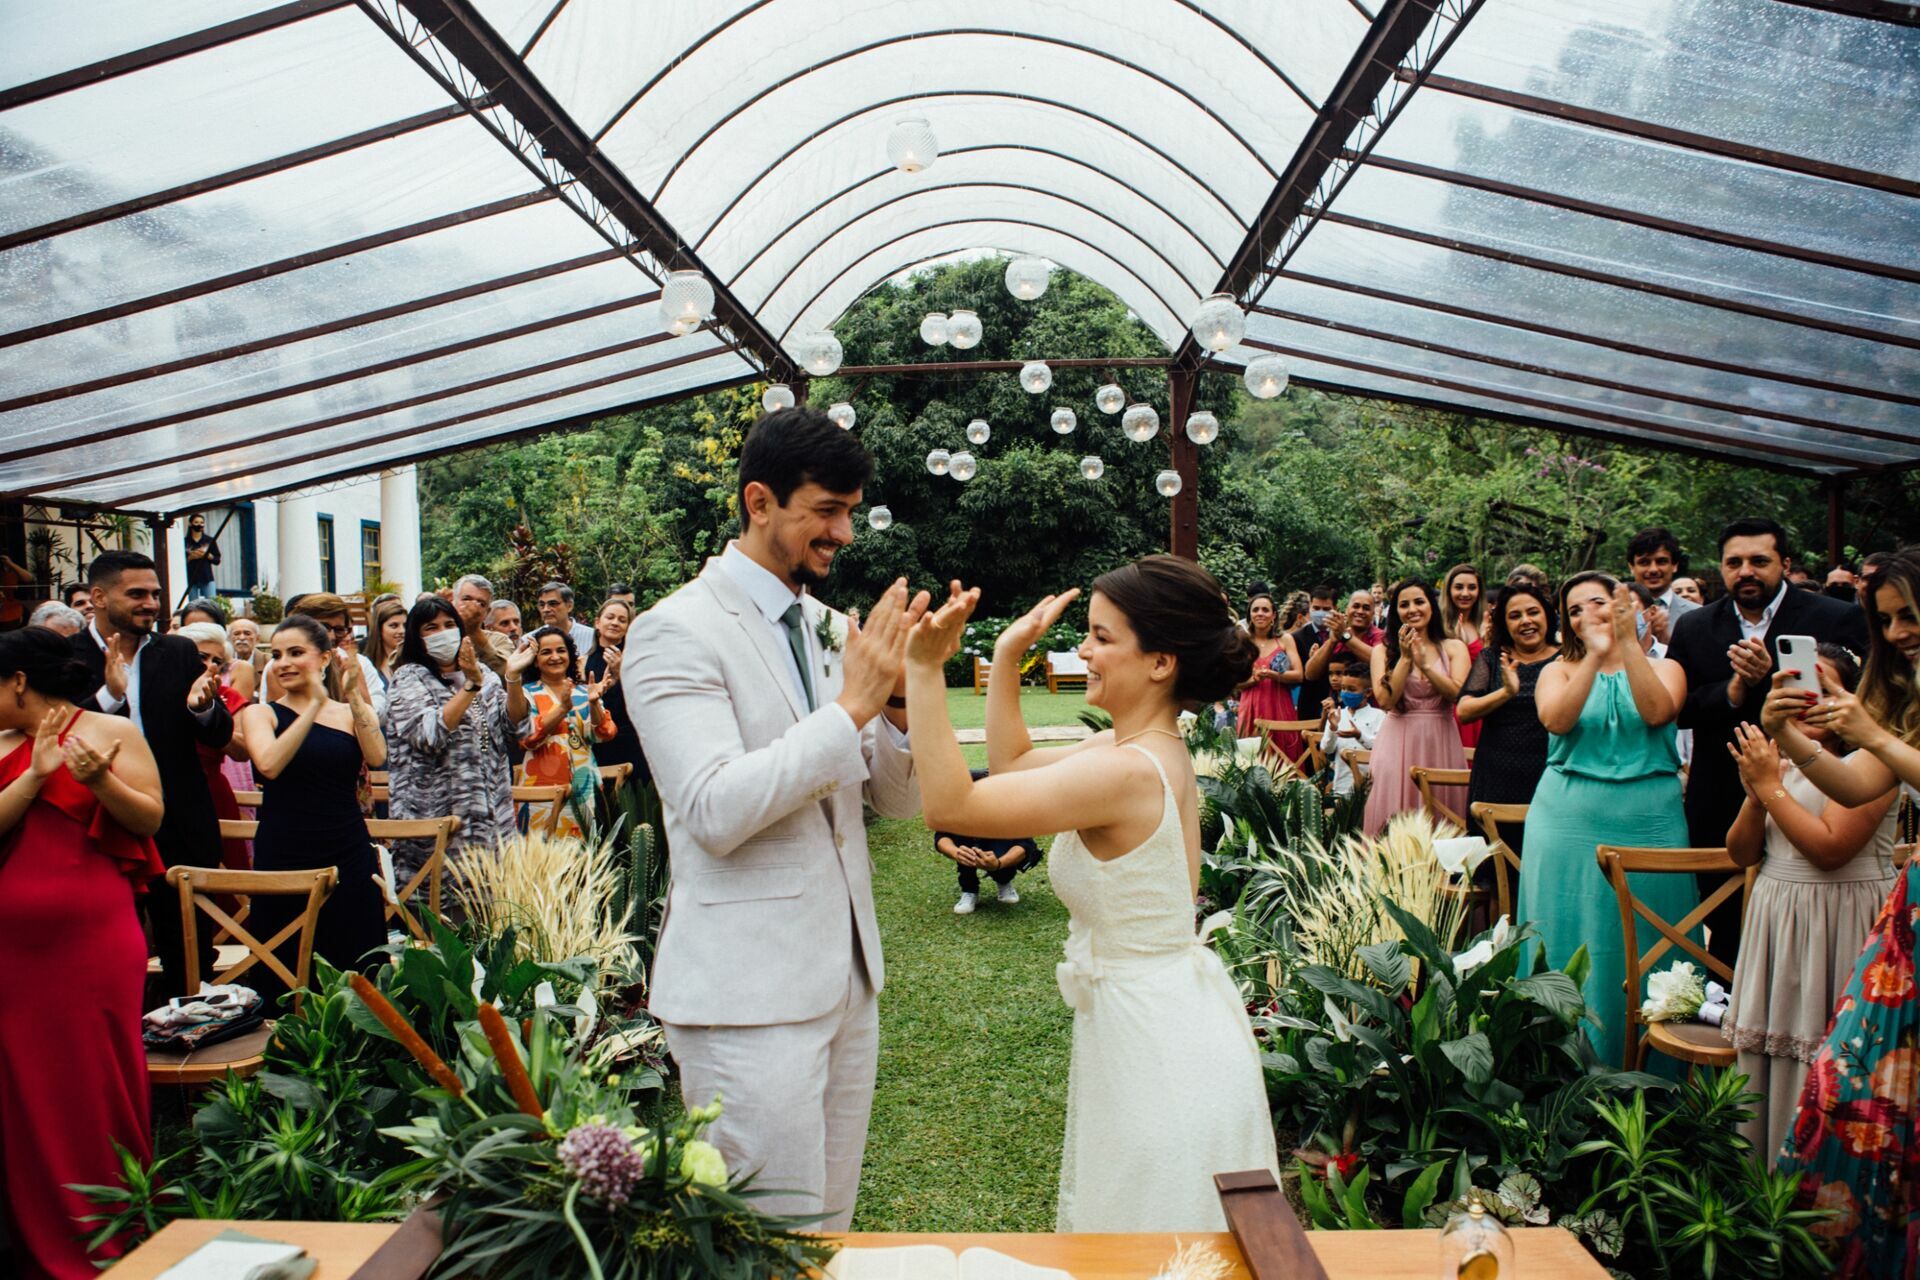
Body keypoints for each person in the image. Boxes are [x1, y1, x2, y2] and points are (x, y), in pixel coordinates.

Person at [903, 555, 1280, 1230]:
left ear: (1160, 662)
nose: (1083, 650)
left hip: (1156, 1039)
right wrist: (1010, 657)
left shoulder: (1127, 772)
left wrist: (926, 668)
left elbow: (952, 803)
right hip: (1156, 1015)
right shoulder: (1135, 748)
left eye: (1103, 638)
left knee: (1147, 1237)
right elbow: (1014, 761)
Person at [624, 405, 924, 1231]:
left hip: (848, 977)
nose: (846, 534)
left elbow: (894, 803)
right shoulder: (673, 631)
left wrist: (896, 702)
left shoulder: (832, 629)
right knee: (760, 1238)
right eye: (826, 511)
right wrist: (851, 707)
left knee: (826, 1227)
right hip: (745, 997)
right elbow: (716, 808)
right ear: (759, 501)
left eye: (851, 511)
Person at [1763, 549, 1920, 1275]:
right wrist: (1788, 733)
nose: (1896, 633)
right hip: (1909, 919)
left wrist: (1875, 733)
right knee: (1854, 1088)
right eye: (1885, 621)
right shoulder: (1905, 697)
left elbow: (1879, 759)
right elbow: (1856, 785)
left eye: (1908, 616)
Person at [0, 628, 164, 1279]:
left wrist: (100, 782)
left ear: (17, 681)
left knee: (97, 1080)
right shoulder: (3, 746)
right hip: (12, 953)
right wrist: (36, 777)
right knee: (26, 1089)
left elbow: (149, 821)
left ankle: (115, 1236)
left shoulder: (113, 731)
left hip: (93, 943)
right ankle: (36, 1242)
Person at [1721, 645, 1896, 1160]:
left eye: (1818, 689)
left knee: (1828, 1049)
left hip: (1840, 920)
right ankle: (1759, 1176)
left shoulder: (1871, 764)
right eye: (1793, 689)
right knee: (1772, 1050)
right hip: (1778, 918)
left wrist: (1770, 786)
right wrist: (1757, 795)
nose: (1804, 703)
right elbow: (1741, 851)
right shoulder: (1776, 763)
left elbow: (1829, 851)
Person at [1668, 517, 1869, 966]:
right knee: (1722, 924)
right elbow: (1678, 711)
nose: (1746, 572)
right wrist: (1735, 689)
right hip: (1720, 789)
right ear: (1719, 568)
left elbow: (1860, 702)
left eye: (1759, 561)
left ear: (1784, 563)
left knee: (1812, 930)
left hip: (1820, 788)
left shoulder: (1834, 617)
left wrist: (1769, 687)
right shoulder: (1696, 626)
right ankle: (1727, 1010)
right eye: (1733, 562)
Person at [1519, 572, 1691, 1067]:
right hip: (1566, 818)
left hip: (1650, 818)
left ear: (1628, 605)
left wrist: (1625, 645)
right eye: (1573, 610)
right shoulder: (1559, 670)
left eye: (1597, 602)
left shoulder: (1671, 667)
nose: (1585, 614)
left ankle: (1653, 1065)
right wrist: (1594, 655)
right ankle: (1556, 1067)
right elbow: (1556, 720)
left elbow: (1657, 711)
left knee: (1650, 936)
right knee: (1567, 932)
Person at [69, 550, 234, 1000]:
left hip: (179, 823)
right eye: (137, 594)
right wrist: (109, 696)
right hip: (102, 823)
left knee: (189, 950)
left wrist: (202, 709)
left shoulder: (178, 651)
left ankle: (192, 1048)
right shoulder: (69, 655)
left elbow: (220, 733)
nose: (150, 603)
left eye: (156, 594)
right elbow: (62, 734)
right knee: (110, 950)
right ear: (99, 597)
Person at [238, 615, 387, 1001]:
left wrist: (351, 696)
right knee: (285, 965)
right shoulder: (262, 713)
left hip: (347, 847)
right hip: (285, 849)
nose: (284, 662)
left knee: (358, 960)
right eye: (277, 654)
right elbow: (269, 764)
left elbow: (377, 756)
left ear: (323, 659)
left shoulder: (348, 712)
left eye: (296, 653)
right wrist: (311, 707)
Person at [385, 597, 529, 890]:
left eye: (450, 625)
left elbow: (515, 727)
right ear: (417, 636)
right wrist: (469, 686)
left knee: (493, 910)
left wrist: (512, 678)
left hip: (491, 817)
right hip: (438, 822)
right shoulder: (408, 678)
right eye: (432, 627)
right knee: (445, 918)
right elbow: (429, 734)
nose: (443, 632)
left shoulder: (485, 674)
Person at [1457, 584, 1560, 861]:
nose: (1525, 620)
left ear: (1547, 616)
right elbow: (1464, 711)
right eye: (1515, 615)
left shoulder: (1566, 658)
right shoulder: (1492, 658)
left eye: (1533, 612)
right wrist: (1505, 692)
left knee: (1545, 863)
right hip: (1496, 780)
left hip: (1551, 779)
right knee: (1497, 869)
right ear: (1504, 622)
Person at [1363, 580, 1470, 836]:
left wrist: (1427, 666)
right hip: (1397, 740)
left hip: (1441, 739)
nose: (1412, 609)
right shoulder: (1383, 651)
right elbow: (1386, 700)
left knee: (1443, 816)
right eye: (1404, 604)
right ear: (1395, 611)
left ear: (1431, 605)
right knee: (1394, 813)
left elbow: (1458, 695)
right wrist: (1406, 658)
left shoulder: (1454, 647)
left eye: (1419, 602)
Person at [516, 626, 616, 838]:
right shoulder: (527, 693)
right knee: (541, 858)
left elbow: (603, 733)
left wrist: (594, 703)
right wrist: (562, 708)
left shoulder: (584, 690)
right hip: (541, 791)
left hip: (584, 787)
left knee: (584, 857)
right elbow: (528, 739)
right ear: (535, 660)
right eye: (546, 652)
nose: (555, 657)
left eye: (561, 651)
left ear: (570, 655)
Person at [175, 622, 255, 876]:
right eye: (201, 657)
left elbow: (242, 751)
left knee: (225, 877)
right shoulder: (160, 689)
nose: (209, 666)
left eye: (217, 661)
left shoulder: (225, 695)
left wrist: (209, 716)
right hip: (167, 790)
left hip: (212, 791)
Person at [265, 592, 389, 724]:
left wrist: (353, 688)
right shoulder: (281, 667)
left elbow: (376, 719)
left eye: (339, 629)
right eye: (323, 627)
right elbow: (281, 724)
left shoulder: (359, 663)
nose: (332, 636)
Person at [935, 772, 1039, 914]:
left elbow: (1025, 844)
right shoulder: (956, 807)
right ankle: (969, 890)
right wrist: (956, 852)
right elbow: (941, 836)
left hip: (997, 844)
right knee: (964, 846)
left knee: (1004, 851)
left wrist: (999, 863)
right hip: (969, 842)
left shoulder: (1011, 808)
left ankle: (1004, 881)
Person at [583, 597, 647, 786]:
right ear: (597, 622)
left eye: (622, 620)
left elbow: (642, 700)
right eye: (610, 617)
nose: (615, 623)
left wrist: (621, 671)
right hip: (596, 741)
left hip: (630, 741)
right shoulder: (582, 662)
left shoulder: (637, 658)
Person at [1235, 592, 1303, 761]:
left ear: (1273, 615)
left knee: (1283, 756)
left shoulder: (1285, 639)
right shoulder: (1243, 640)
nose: (1260, 613)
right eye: (1255, 609)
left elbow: (1299, 674)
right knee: (1252, 756)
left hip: (1279, 703)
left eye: (1265, 610)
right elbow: (1234, 681)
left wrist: (1274, 675)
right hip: (1251, 704)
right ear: (1249, 614)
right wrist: (1253, 680)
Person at [1317, 659, 1384, 799]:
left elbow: (1381, 749)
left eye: (1352, 690)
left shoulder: (1379, 716)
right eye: (1343, 689)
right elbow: (1327, 749)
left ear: (1368, 693)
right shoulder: (1338, 715)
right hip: (1342, 788)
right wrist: (1333, 728)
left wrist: (1359, 736)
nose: (1346, 693)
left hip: (1372, 789)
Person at [1625, 526, 1698, 646]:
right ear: (1631, 567)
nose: (1653, 569)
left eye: (1661, 561)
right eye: (1644, 562)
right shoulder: (1611, 612)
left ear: (1674, 565)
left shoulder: (1696, 614)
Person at [1443, 563, 1488, 749]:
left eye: (1472, 587)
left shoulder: (1486, 624)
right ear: (1449, 590)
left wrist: (1489, 644)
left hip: (1479, 707)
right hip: (1448, 709)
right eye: (1459, 587)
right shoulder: (1439, 625)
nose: (1465, 593)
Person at [1289, 585, 1340, 716]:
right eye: (1316, 608)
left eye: (1326, 609)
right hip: (1310, 704)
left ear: (1335, 609)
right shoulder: (1297, 637)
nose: (1321, 612)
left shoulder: (1343, 635)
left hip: (1339, 703)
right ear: (1310, 607)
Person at [450, 574, 514, 676]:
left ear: (487, 612)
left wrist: (474, 631)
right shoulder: (439, 635)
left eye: (481, 603)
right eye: (466, 599)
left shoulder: (500, 640)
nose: (473, 606)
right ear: (452, 602)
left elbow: (507, 674)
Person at [536, 581, 596, 660]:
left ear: (569, 606)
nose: (546, 609)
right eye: (542, 605)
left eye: (553, 603)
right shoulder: (530, 640)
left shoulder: (592, 637)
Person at [362, 597, 407, 697]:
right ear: (379, 629)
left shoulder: (415, 660)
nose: (402, 631)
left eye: (405, 625)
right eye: (394, 626)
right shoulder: (366, 664)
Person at [183, 512, 221, 595]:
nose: (199, 525)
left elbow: (217, 560)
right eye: (196, 522)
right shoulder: (184, 542)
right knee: (192, 604)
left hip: (206, 577)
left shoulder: (209, 540)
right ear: (190, 524)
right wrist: (190, 558)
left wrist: (208, 556)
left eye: (201, 522)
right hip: (190, 578)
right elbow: (179, 563)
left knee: (211, 603)